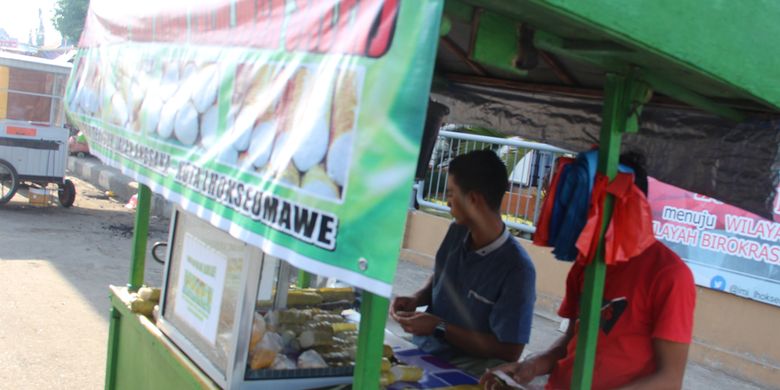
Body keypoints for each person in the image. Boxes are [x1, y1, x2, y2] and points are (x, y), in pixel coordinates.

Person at [481, 154, 696, 390]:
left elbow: (669, 380)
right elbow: (572, 340)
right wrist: (531, 366)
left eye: (587, 206)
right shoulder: (588, 263)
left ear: (626, 204)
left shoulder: (669, 275)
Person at [391, 149, 536, 377]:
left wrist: (439, 327)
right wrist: (417, 298)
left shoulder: (517, 269)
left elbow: (510, 351)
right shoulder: (457, 231)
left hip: (468, 367)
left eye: (451, 193)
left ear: (473, 199)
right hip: (425, 349)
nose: (447, 202)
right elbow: (442, 277)